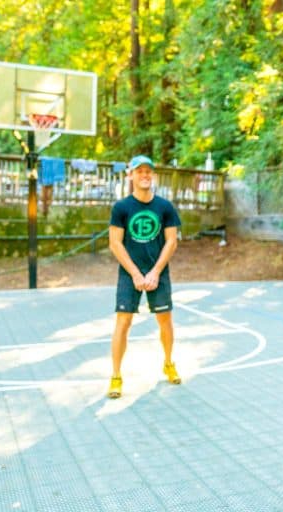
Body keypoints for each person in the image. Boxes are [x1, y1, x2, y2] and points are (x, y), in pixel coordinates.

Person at [107, 155, 182, 399]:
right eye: (140, 171)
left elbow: (171, 241)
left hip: (158, 272)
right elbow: (115, 244)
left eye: (149, 171)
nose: (145, 175)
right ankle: (116, 376)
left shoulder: (165, 207)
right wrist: (137, 274)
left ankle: (169, 362)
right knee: (123, 322)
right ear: (131, 176)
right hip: (130, 275)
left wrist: (155, 272)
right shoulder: (121, 208)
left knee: (165, 320)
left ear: (154, 175)